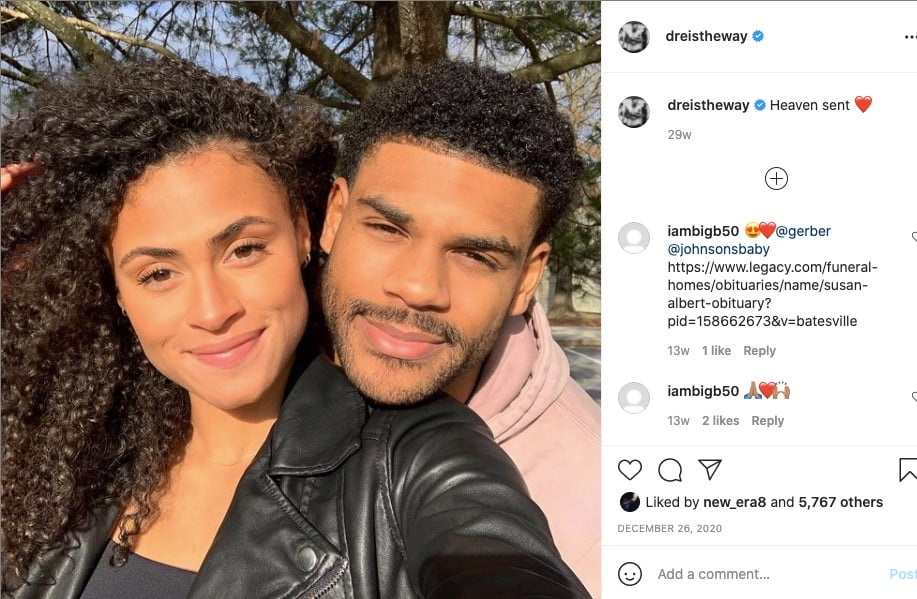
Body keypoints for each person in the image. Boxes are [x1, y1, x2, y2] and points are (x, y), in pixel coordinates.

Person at [0, 59, 588, 598]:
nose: (211, 310)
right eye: (157, 273)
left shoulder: (425, 454)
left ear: (303, 234)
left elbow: (489, 550)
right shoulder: (75, 434)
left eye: (245, 249)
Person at [317, 61, 601, 596]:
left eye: (474, 255)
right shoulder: (243, 358)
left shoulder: (599, 519)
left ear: (527, 278)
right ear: (335, 216)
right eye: (386, 229)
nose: (419, 287)